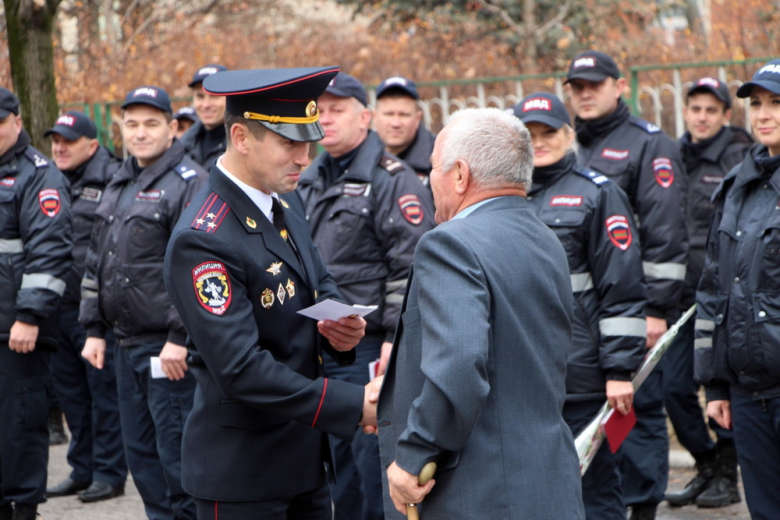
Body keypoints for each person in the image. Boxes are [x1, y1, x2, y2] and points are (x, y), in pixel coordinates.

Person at [163, 66, 377, 520]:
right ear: (241, 137)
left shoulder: (281, 199)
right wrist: (352, 404)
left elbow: (318, 280)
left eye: (308, 142)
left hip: (304, 461)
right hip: (245, 475)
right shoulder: (203, 237)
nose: (305, 157)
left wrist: (338, 327)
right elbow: (240, 368)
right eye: (290, 144)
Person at [374, 107, 585, 519]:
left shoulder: (449, 243)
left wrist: (413, 455)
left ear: (459, 175)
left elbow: (458, 365)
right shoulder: (545, 237)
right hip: (546, 482)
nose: (427, 181)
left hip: (480, 491)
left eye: (432, 169)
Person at [298, 72, 435, 520]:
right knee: (335, 462)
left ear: (366, 117)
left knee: (371, 460)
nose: (326, 119)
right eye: (320, 110)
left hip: (370, 346)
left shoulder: (393, 179)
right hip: (322, 342)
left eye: (337, 110)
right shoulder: (308, 176)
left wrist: (396, 343)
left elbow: (410, 267)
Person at [565, 50, 689, 520]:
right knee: (598, 417)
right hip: (584, 320)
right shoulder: (564, 140)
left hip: (632, 309)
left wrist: (654, 311)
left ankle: (642, 506)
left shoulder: (647, 144)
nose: (585, 93)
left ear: (619, 86)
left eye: (595, 84)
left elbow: (666, 232)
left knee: (635, 412)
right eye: (577, 86)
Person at [514, 92, 648, 520]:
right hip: (521, 381)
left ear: (569, 134)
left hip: (585, 380)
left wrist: (619, 372)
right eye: (528, 134)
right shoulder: (501, 196)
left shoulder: (598, 195)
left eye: (548, 132)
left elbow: (622, 288)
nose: (538, 141)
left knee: (594, 491)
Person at [80, 86, 207, 520]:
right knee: (142, 459)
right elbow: (98, 260)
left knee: (177, 458)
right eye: (131, 124)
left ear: (172, 128)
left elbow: (197, 266)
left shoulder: (191, 183)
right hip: (123, 344)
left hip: (167, 351)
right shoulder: (121, 178)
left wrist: (179, 335)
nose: (140, 133)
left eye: (151, 123)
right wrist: (94, 329)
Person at [695, 58, 780, 520]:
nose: (763, 114)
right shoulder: (737, 187)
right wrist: (715, 386)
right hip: (747, 391)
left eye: (777, 103)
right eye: (757, 104)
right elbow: (713, 290)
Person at [664, 77, 752, 509]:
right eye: (695, 109)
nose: (701, 118)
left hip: (724, 300)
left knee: (725, 390)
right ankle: (707, 463)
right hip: (681, 299)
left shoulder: (740, 157)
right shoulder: (671, 155)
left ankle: (729, 475)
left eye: (710, 110)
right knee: (673, 389)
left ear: (725, 115)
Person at [43, 111, 128, 503]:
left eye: (68, 140)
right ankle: (82, 469)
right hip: (58, 308)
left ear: (92, 145)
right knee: (72, 395)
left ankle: (109, 474)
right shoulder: (51, 179)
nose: (59, 147)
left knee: (103, 394)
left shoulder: (112, 178)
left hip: (93, 312)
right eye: (56, 140)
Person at [0, 87, 73, 520]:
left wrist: (29, 315)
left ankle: (22, 508)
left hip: (18, 331)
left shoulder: (39, 175)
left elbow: (50, 252)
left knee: (19, 426)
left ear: (16, 122)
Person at [373, 76, 436, 185]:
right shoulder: (358, 155)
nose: (395, 123)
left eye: (404, 115)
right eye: (388, 114)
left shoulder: (439, 156)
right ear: (374, 116)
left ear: (418, 118)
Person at [180, 64, 228, 169]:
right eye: (200, 96)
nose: (206, 105)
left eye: (214, 95)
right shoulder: (182, 146)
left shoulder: (243, 144)